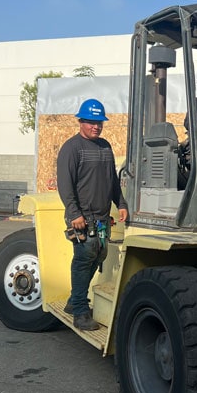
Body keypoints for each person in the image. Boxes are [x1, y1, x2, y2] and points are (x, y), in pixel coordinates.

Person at [57, 98, 129, 331]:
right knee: (83, 259)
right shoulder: (72, 148)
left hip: (101, 218)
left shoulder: (105, 147)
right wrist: (74, 213)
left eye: (99, 122)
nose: (96, 126)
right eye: (91, 122)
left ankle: (72, 301)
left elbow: (113, 181)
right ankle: (79, 310)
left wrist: (121, 203)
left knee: (98, 255)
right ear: (81, 121)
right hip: (82, 218)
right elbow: (65, 185)